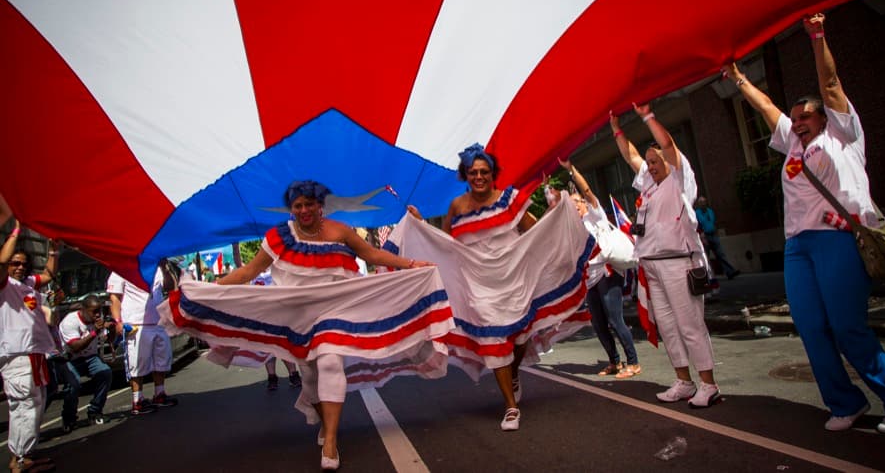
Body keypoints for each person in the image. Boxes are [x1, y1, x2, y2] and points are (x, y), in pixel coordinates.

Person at [724, 13, 885, 433]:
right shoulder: (791, 145)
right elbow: (766, 108)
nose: (797, 121)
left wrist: (817, 37)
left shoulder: (842, 135)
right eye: (795, 117)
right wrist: (737, 78)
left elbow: (831, 85)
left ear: (825, 118)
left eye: (805, 116)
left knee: (846, 326)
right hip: (797, 247)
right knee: (811, 327)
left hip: (837, 241)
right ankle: (845, 403)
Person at [217, 180, 435, 471]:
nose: (304, 210)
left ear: (320, 205)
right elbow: (249, 270)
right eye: (298, 206)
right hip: (297, 318)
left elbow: (371, 255)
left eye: (310, 204)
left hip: (335, 312)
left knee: (331, 362)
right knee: (310, 379)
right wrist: (213, 287)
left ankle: (331, 440)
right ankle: (323, 420)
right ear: (291, 209)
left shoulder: (340, 231)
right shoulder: (278, 236)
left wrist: (410, 264)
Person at [403, 143, 594, 432]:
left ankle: (513, 373)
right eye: (473, 172)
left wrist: (557, 221)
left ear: (493, 174)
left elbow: (534, 230)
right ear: (465, 175)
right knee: (495, 343)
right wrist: (420, 226)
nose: (478, 176)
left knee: (519, 339)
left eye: (484, 172)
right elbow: (446, 245)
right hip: (479, 287)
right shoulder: (456, 207)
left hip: (514, 280)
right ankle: (510, 406)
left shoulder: (509, 199)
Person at [611, 103, 721, 408]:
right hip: (653, 267)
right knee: (669, 327)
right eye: (649, 162)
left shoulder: (680, 179)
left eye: (656, 161)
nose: (651, 166)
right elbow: (630, 155)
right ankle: (684, 382)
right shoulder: (648, 183)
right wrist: (616, 128)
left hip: (678, 264)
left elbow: (669, 146)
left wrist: (647, 116)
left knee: (690, 325)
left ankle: (708, 385)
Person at [559, 158, 641, 379]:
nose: (574, 207)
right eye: (571, 206)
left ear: (584, 203)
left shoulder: (595, 215)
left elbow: (586, 189)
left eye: (576, 203)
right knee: (598, 323)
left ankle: (633, 362)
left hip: (607, 274)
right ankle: (615, 361)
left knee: (615, 320)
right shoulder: (575, 228)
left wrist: (571, 170)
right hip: (590, 278)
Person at [0, 198, 56, 472]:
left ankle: (26, 455)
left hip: (35, 352)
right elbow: (1, 260)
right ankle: (19, 461)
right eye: (15, 263)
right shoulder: (4, 284)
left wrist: (54, 249)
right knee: (23, 406)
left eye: (23, 263)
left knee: (36, 403)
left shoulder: (28, 284)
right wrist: (17, 228)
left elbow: (47, 274)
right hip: (17, 354)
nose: (20, 267)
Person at [107, 261, 181, 417]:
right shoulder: (121, 269)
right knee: (137, 363)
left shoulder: (157, 268)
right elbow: (114, 298)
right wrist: (117, 321)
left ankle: (159, 394)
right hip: (135, 324)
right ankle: (137, 400)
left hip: (158, 321)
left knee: (161, 360)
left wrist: (165, 267)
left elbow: (171, 287)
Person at [58, 294, 113, 431]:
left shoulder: (97, 321)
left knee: (105, 373)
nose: (97, 315)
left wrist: (112, 329)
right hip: (70, 359)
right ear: (83, 310)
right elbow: (76, 347)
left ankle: (94, 411)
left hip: (90, 357)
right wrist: (94, 332)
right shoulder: (70, 322)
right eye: (94, 311)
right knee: (73, 384)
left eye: (99, 311)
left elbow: (108, 340)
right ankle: (69, 418)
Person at [694, 196, 740, 279]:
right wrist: (701, 235)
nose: (703, 204)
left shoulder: (710, 211)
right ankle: (707, 276)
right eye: (701, 202)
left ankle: (730, 272)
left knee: (721, 254)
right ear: (698, 204)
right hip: (705, 236)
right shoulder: (696, 213)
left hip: (713, 235)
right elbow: (696, 225)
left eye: (704, 202)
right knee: (706, 257)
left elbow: (713, 222)